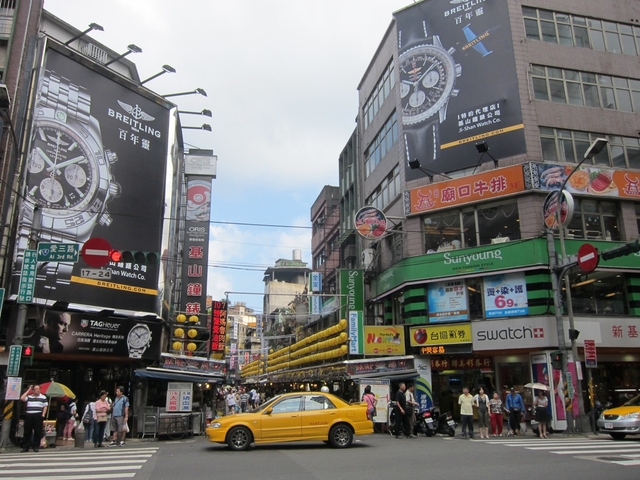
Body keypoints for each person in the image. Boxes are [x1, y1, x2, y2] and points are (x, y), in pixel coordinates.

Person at [20, 384, 48, 452]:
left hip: (38, 415)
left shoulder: (43, 397)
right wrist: (28, 390)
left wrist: (43, 415)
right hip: (29, 415)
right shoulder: (29, 397)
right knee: (27, 431)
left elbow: (45, 406)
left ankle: (36, 446)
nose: (37, 390)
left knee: (38, 431)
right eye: (35, 389)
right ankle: (26, 447)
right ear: (33, 390)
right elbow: (22, 398)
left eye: (38, 389)